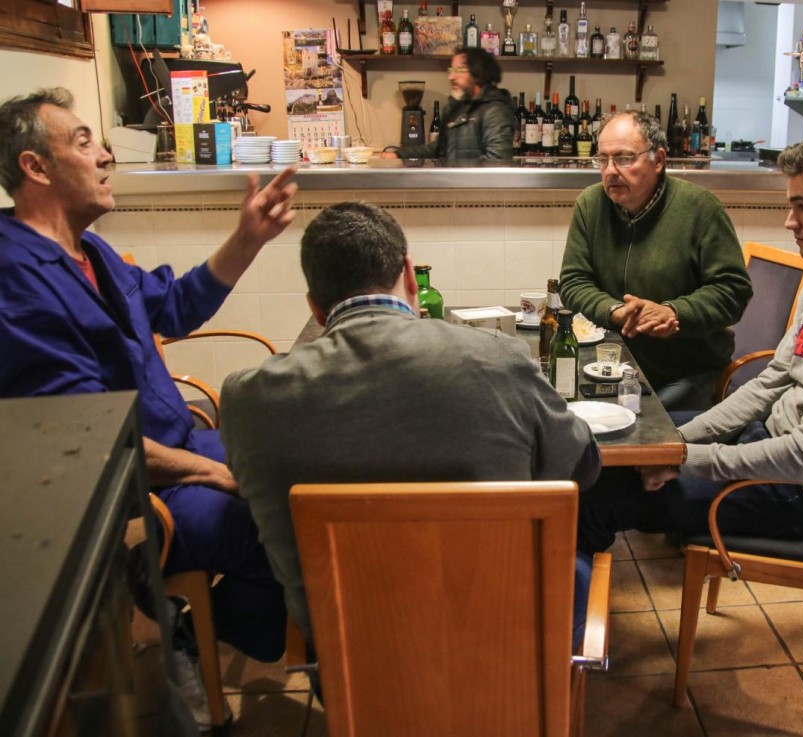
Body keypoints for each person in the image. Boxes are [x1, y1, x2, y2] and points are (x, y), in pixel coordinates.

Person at [0, 87, 297, 729]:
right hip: (137, 494)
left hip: (177, 442)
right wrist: (209, 473)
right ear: (35, 167)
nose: (106, 155)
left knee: (291, 469)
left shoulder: (91, 252)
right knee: (273, 525)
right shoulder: (17, 278)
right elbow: (87, 441)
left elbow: (177, 305)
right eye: (84, 142)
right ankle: (197, 634)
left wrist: (247, 237)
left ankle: (221, 628)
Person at [219, 202, 601, 652]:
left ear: (315, 308)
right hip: (502, 653)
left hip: (353, 664)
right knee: (578, 565)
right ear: (408, 274)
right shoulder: (500, 357)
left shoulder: (248, 399)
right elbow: (581, 465)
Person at [577, 134, 803, 555]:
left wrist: (682, 457)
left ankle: (564, 617)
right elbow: (770, 384)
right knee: (611, 452)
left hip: (799, 493)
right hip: (761, 443)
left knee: (592, 501)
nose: (789, 221)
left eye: (802, 206)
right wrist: (670, 446)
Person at [558, 110, 753, 411]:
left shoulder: (700, 208)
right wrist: (615, 312)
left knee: (627, 434)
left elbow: (732, 292)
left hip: (685, 373)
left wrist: (673, 312)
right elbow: (573, 282)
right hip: (610, 365)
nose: (610, 171)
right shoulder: (591, 203)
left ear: (658, 160)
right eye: (602, 159)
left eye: (624, 158)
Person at [380, 47, 515, 161]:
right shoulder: (456, 109)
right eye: (451, 70)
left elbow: (498, 164)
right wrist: (398, 154)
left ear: (478, 74)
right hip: (455, 190)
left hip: (475, 192)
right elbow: (438, 148)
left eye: (459, 70)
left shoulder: (495, 111)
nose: (451, 77)